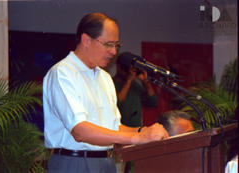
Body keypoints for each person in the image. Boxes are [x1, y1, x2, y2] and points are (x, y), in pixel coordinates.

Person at [43, 12, 169, 173]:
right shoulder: (62, 73)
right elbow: (80, 131)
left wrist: (143, 131)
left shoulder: (105, 78)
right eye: (109, 44)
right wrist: (137, 137)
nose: (114, 52)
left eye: (117, 45)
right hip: (74, 163)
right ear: (86, 40)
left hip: (107, 162)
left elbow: (114, 128)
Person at [113, 52, 158, 128]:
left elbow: (153, 102)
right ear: (118, 67)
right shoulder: (110, 83)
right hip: (120, 130)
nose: (129, 72)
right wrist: (129, 81)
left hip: (136, 129)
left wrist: (146, 82)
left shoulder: (135, 86)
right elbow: (117, 103)